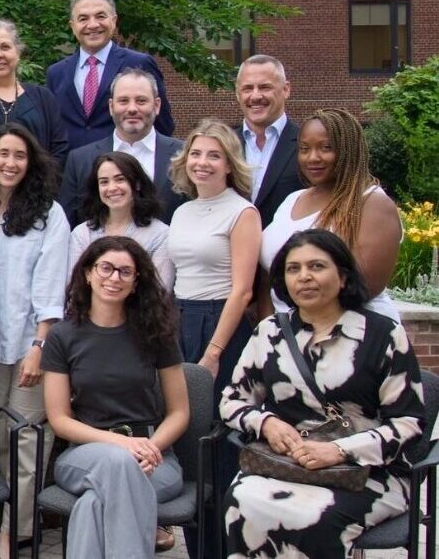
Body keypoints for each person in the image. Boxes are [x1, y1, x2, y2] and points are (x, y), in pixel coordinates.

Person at [221, 229, 426, 558]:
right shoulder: (269, 332)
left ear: (343, 277)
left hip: (368, 472)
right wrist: (266, 423)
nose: (304, 277)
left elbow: (408, 422)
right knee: (240, 496)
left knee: (316, 517)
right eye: (293, 269)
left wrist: (339, 450)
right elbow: (232, 401)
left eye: (317, 266)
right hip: (286, 463)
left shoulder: (383, 335)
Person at [41, 236, 189, 559]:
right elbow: (60, 419)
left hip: (155, 458)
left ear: (136, 283)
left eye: (125, 272)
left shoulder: (156, 333)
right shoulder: (61, 337)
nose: (114, 278)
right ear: (88, 274)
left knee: (93, 504)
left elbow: (179, 412)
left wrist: (150, 448)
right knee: (119, 464)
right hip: (84, 454)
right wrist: (122, 445)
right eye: (105, 268)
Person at [0, 124, 69, 554]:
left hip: (29, 346)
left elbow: (50, 284)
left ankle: (11, 533)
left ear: (31, 163)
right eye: (2, 153)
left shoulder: (49, 213)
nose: (10, 163)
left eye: (19, 156)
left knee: (24, 443)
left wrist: (40, 346)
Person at [260, 108, 402, 320]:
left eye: (325, 148)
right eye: (304, 149)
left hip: (354, 337)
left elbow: (362, 286)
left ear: (348, 150)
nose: (312, 157)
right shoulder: (292, 200)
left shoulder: (371, 203)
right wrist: (272, 327)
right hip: (290, 334)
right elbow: (267, 275)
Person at [168, 119, 260, 389]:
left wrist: (214, 351)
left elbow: (242, 292)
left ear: (229, 164)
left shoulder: (242, 213)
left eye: (214, 155)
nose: (202, 162)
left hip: (219, 321)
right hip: (180, 319)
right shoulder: (181, 212)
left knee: (215, 412)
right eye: (195, 154)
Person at [46, 0, 175, 149]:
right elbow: (52, 130)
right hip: (71, 169)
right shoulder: (56, 73)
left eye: (100, 16)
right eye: (83, 18)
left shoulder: (139, 63)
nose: (92, 25)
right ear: (73, 26)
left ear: (114, 21)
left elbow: (163, 124)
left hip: (124, 167)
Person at [57, 68, 186, 226]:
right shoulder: (80, 160)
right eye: (123, 101)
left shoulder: (184, 155)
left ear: (157, 105)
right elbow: (67, 223)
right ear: (111, 107)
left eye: (141, 101)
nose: (132, 109)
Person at [0, 19, 70, 191]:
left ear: (18, 51)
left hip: (37, 195)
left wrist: (34, 186)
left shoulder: (44, 98)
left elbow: (59, 150)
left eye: (5, 47)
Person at [66, 152, 176, 292]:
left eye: (120, 179)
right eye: (104, 182)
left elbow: (158, 291)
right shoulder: (82, 234)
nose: (112, 188)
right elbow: (74, 287)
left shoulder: (160, 235)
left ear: (137, 184)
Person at [237, 55, 303, 226]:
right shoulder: (224, 145)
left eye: (265, 87)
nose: (256, 96)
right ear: (238, 93)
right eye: (247, 88)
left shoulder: (305, 145)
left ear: (286, 89)